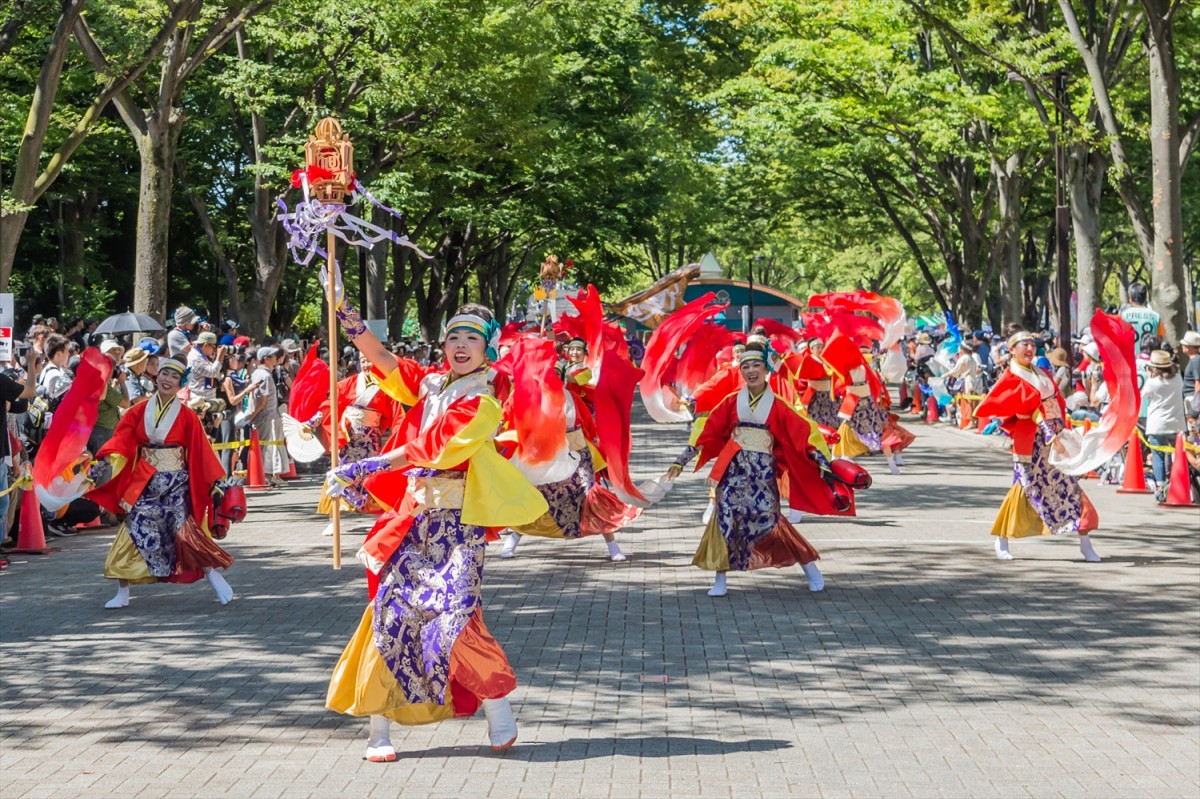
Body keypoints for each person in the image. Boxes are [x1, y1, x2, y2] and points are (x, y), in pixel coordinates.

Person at [323, 298, 549, 760]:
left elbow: (434, 447)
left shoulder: (485, 400)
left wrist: (363, 465)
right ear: (442, 344)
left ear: (488, 348)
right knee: (389, 617)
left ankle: (498, 706)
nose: (460, 345)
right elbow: (383, 359)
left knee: (455, 619)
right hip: (411, 522)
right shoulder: (430, 385)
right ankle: (378, 730)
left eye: (471, 338)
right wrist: (342, 307)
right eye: (453, 337)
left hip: (456, 530)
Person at [667, 343, 860, 597]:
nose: (750, 370)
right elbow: (707, 432)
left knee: (770, 522)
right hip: (733, 471)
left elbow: (801, 434)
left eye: (756, 365)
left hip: (762, 473)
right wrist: (682, 460)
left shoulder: (779, 404)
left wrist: (819, 458)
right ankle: (720, 580)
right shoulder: (730, 402)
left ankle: (810, 566)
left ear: (766, 368)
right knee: (725, 521)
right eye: (745, 366)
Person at [85, 358, 234, 609]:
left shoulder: (187, 416)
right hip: (145, 480)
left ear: (180, 384)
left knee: (185, 531)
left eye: (174, 377)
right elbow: (121, 439)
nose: (167, 379)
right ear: (156, 377)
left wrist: (214, 481)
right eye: (164, 373)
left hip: (177, 482)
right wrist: (107, 458)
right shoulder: (138, 410)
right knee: (132, 530)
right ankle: (123, 591)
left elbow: (200, 450)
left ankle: (211, 573)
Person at [975, 331, 1101, 562]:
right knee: (1024, 489)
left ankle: (1085, 542)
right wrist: (1046, 428)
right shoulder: (1011, 376)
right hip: (1031, 441)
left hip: (1054, 434)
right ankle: (1002, 538)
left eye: (1032, 344)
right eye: (1024, 344)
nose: (1030, 349)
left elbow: (1055, 403)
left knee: (1068, 486)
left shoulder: (1041, 372)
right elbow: (1024, 409)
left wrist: (1060, 430)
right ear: (1012, 349)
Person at [1142, 350, 1186, 496]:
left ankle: (1161, 487)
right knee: (1178, 455)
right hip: (1176, 423)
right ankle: (1177, 483)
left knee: (1158, 455)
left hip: (1157, 425)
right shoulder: (1178, 378)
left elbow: (1144, 395)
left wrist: (1150, 377)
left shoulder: (1153, 383)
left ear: (1154, 368)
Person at [248, 347, 287, 486]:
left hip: (266, 415)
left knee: (268, 447)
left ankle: (267, 476)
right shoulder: (264, 376)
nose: (276, 358)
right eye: (273, 356)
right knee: (266, 447)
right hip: (266, 416)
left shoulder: (258, 373)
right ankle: (265, 476)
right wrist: (253, 415)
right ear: (266, 358)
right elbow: (262, 401)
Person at [90, 340, 131, 454]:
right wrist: (122, 382)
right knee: (103, 468)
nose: (117, 354)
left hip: (103, 431)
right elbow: (126, 403)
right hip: (101, 432)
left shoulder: (101, 381)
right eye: (113, 351)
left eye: (119, 352)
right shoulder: (100, 383)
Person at [186, 331, 227, 415]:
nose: (214, 349)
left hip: (206, 400)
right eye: (213, 346)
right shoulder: (195, 357)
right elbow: (212, 372)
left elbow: (217, 374)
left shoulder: (202, 356)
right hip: (198, 400)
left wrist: (221, 358)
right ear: (205, 345)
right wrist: (219, 356)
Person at [1120, 283, 1166, 350]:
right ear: (1144, 298)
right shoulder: (1156, 316)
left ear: (1130, 299)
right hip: (1150, 358)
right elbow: (1160, 339)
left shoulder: (1123, 316)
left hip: (1130, 358)